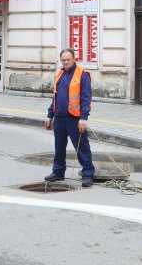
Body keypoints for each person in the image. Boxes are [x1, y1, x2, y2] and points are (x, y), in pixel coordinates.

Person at [44, 48, 95, 187]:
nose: (66, 62)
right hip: (60, 118)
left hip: (75, 118)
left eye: (68, 59)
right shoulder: (60, 74)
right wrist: (50, 115)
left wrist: (84, 118)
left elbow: (86, 97)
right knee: (59, 147)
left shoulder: (82, 74)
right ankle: (58, 172)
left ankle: (88, 174)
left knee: (82, 147)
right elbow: (55, 98)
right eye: (63, 60)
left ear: (74, 59)